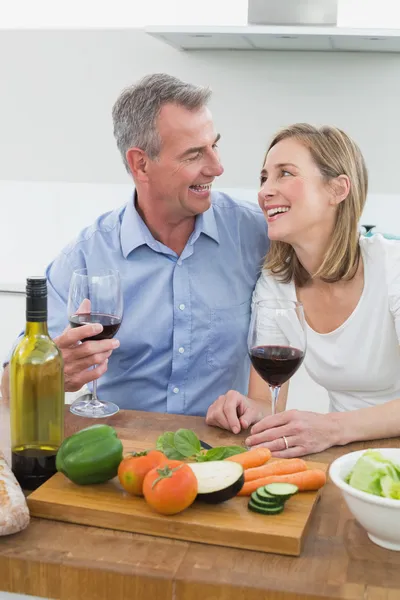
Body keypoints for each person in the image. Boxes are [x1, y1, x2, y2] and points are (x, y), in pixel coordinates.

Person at [1, 73, 269, 416]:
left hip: (223, 453)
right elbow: (9, 387)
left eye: (214, 145)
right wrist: (49, 372)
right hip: (120, 454)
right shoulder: (87, 256)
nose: (217, 167)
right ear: (140, 164)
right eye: (193, 155)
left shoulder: (255, 235)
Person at [206, 123, 400, 456]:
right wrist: (248, 409)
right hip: (342, 457)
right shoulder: (275, 284)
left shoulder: (391, 267)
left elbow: (329, 429)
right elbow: (268, 401)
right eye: (264, 177)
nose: (266, 191)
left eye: (286, 174)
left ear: (337, 190)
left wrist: (332, 428)